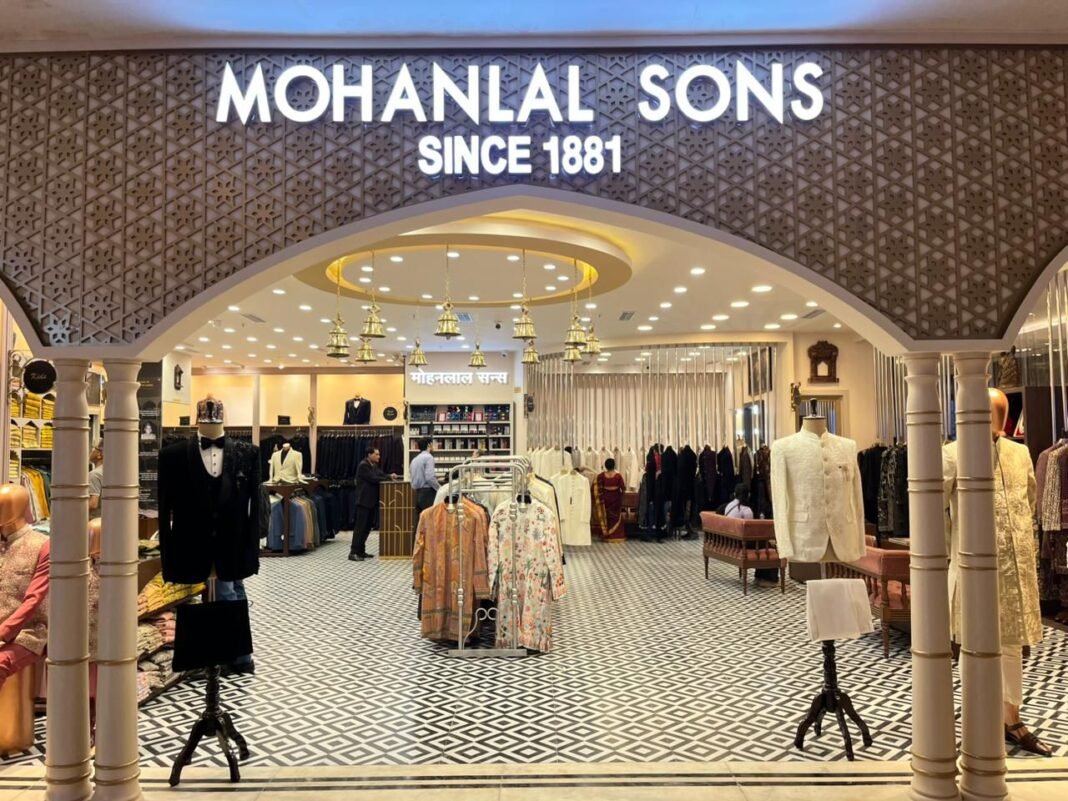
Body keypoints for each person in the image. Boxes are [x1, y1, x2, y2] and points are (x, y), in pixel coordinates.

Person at [351, 447, 397, 562]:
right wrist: (388, 477)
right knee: (360, 528)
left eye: (379, 454)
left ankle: (361, 551)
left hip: (371, 502)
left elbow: (380, 474)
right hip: (363, 502)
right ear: (369, 455)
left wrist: (389, 475)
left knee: (367, 528)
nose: (379, 457)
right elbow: (373, 478)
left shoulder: (374, 466)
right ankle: (353, 552)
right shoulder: (363, 465)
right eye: (376, 454)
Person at [410, 438, 440, 536]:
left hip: (418, 492)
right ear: (429, 445)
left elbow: (412, 479)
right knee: (430, 522)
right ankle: (430, 545)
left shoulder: (414, 459)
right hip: (428, 493)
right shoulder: (429, 457)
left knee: (419, 523)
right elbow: (430, 477)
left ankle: (416, 544)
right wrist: (439, 488)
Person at [593, 458, 627, 542]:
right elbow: (623, 488)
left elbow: (596, 486)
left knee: (607, 517)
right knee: (615, 517)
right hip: (616, 499)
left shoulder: (601, 476)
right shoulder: (618, 476)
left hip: (605, 499)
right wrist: (620, 495)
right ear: (614, 465)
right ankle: (616, 535)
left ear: (605, 466)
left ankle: (607, 534)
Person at [88, 440, 104, 520]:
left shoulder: (94, 474)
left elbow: (93, 504)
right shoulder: (112, 473)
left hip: (95, 520)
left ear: (99, 455)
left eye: (94, 449)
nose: (91, 451)